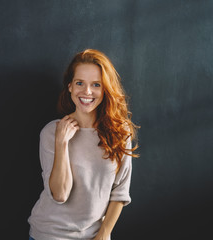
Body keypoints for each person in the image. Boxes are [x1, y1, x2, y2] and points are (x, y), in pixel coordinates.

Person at [27, 49, 139, 240]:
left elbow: (120, 193)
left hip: (96, 236)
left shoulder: (120, 133)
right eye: (80, 83)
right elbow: (60, 194)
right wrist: (61, 143)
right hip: (50, 234)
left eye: (96, 84)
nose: (87, 92)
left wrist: (104, 233)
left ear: (105, 89)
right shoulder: (51, 132)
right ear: (70, 86)